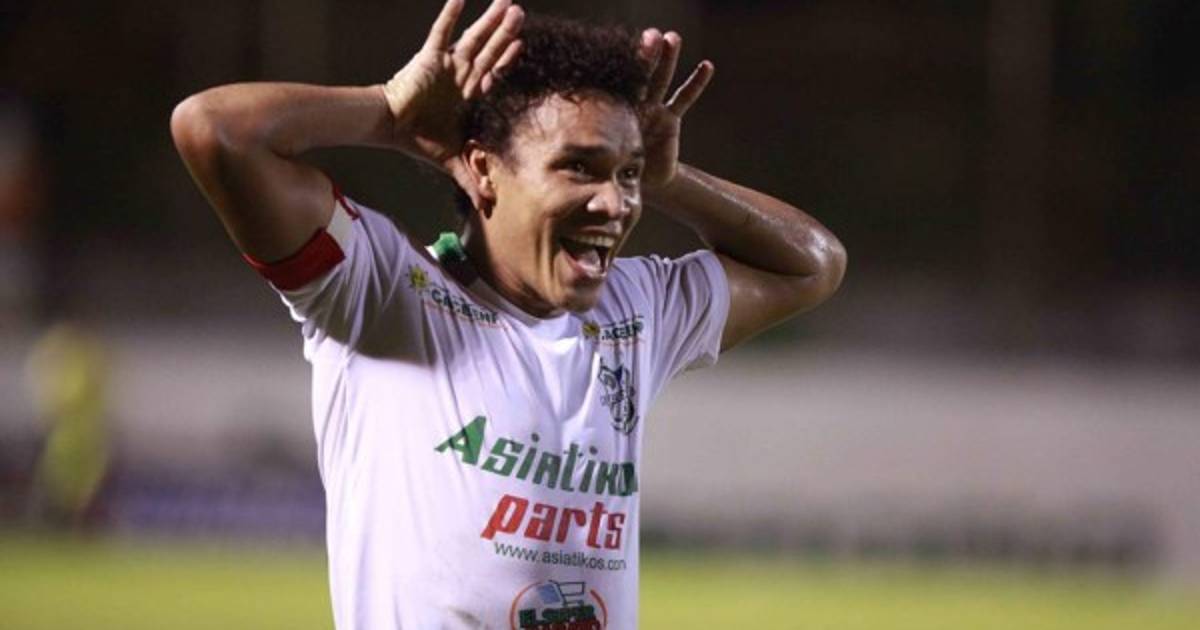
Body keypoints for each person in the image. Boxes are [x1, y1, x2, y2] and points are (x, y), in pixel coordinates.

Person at [171, 0, 845, 627]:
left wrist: (667, 179)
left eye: (627, 175)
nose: (616, 204)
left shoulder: (634, 313)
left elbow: (812, 263)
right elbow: (216, 130)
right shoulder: (382, 294)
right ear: (484, 170)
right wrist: (387, 112)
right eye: (579, 167)